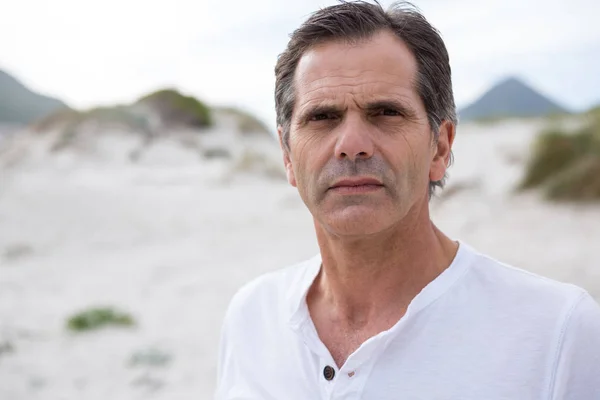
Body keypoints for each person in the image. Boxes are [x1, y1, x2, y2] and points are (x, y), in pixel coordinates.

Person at [214, 1, 600, 399]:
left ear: (440, 148)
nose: (351, 146)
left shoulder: (557, 336)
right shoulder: (252, 318)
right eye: (323, 117)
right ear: (287, 155)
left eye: (385, 113)